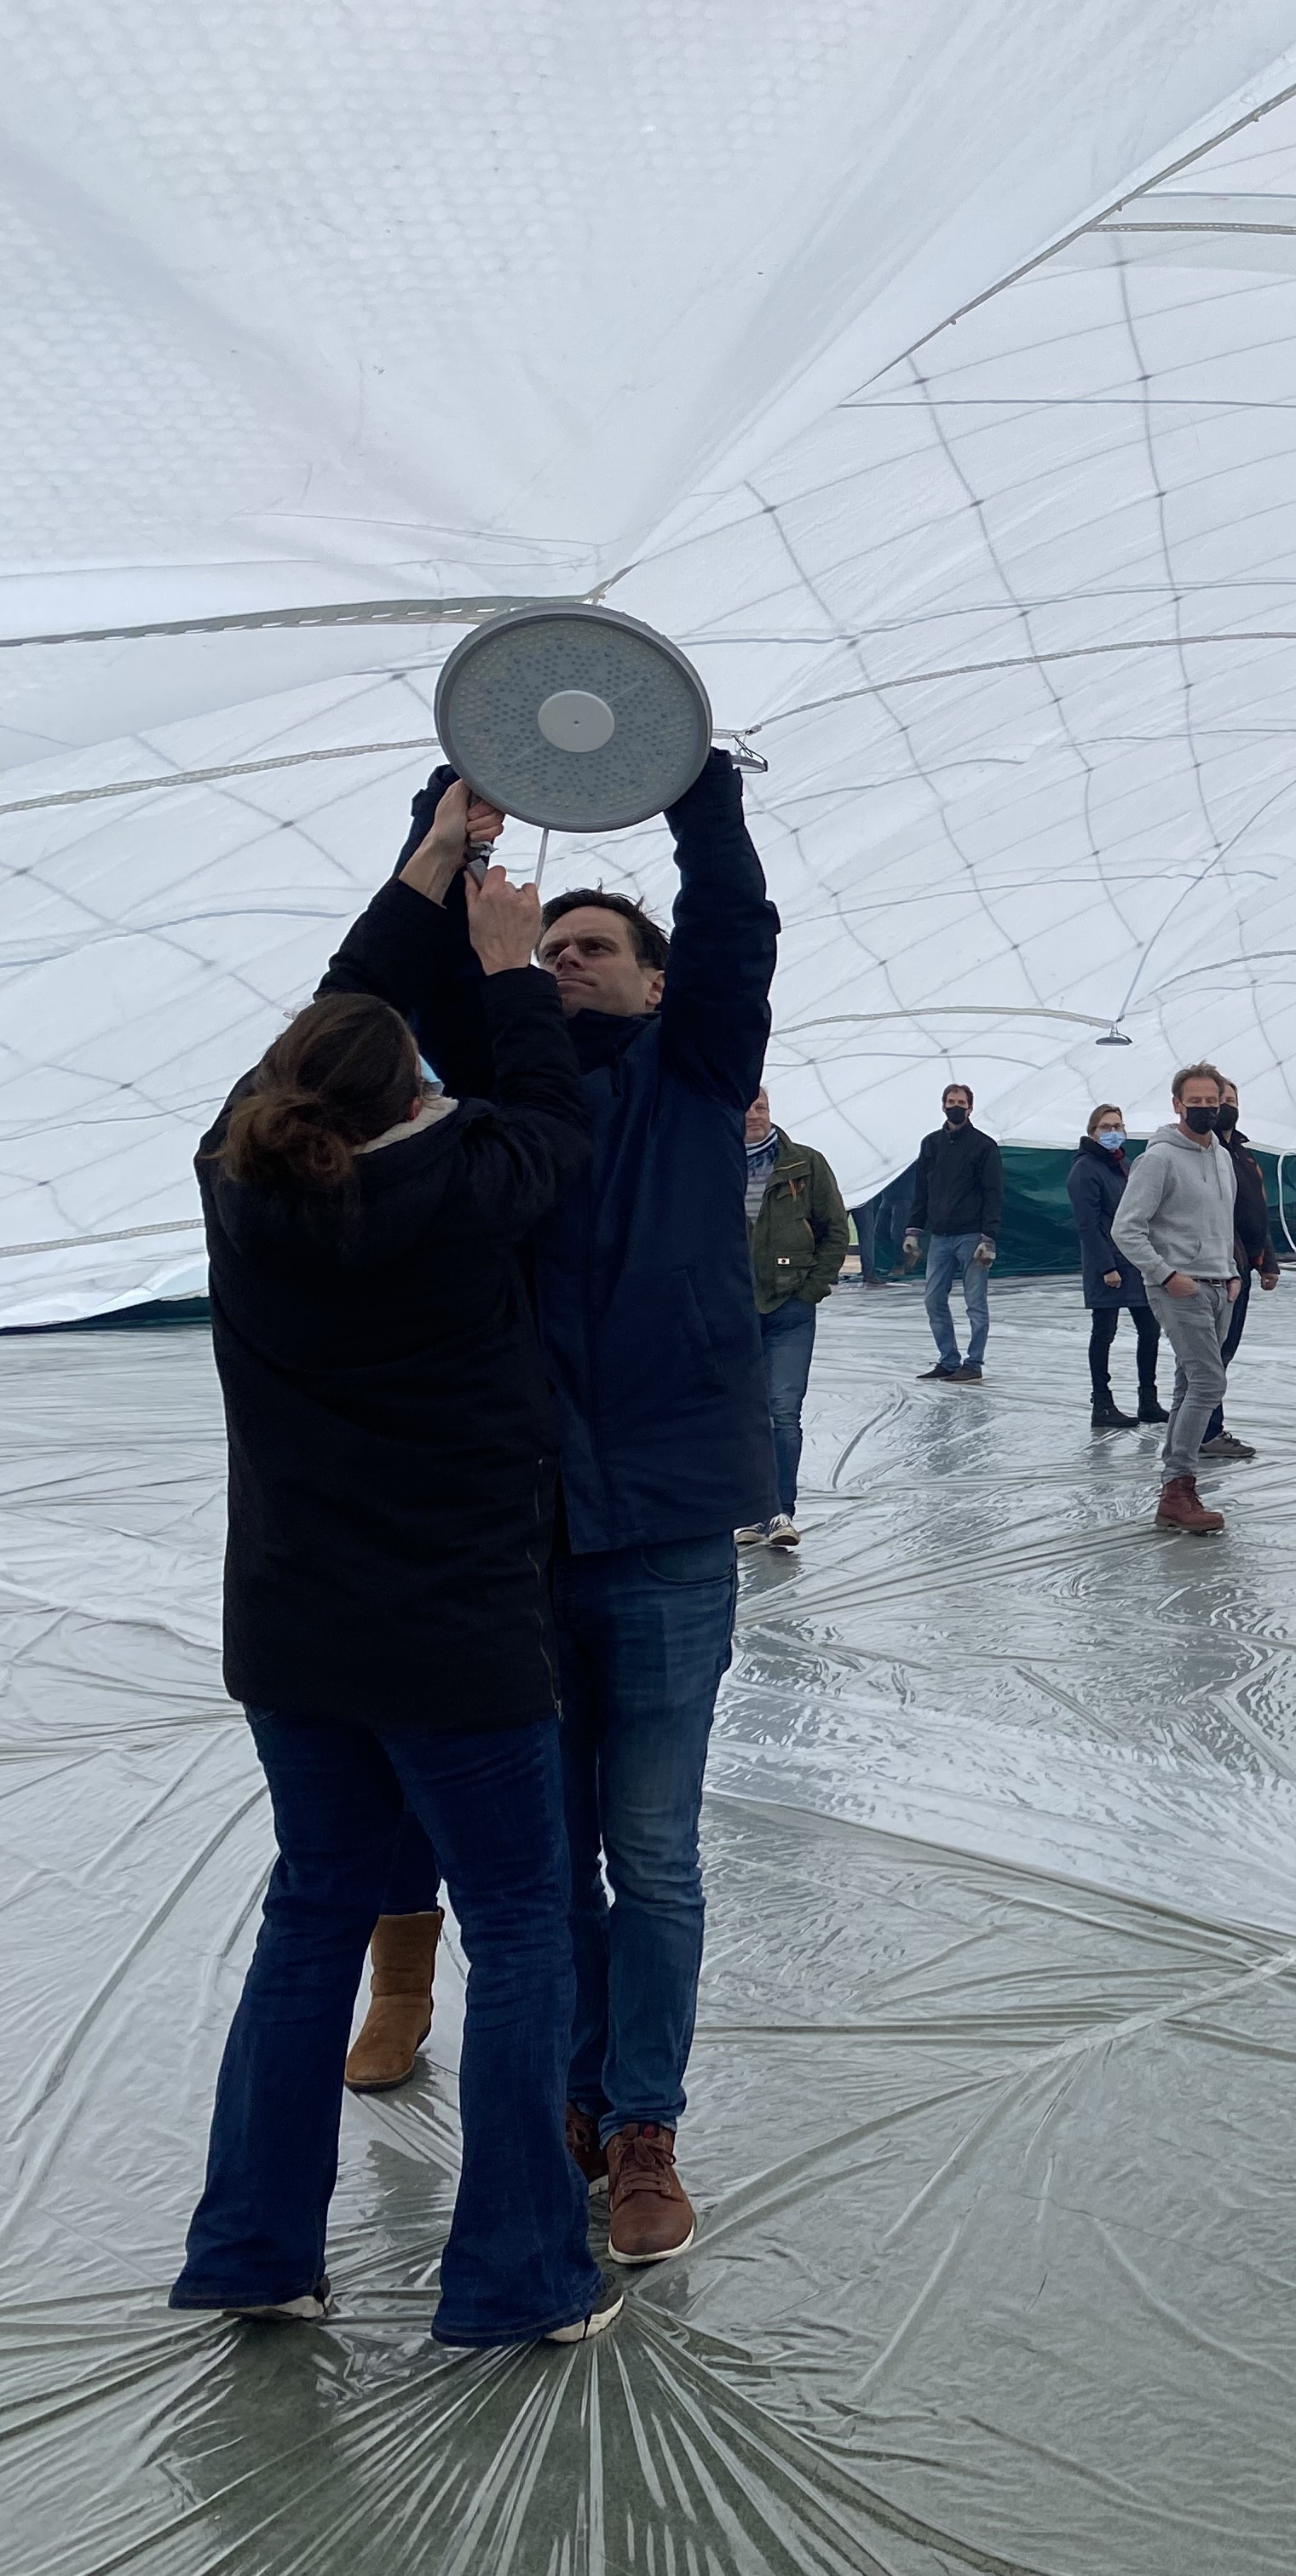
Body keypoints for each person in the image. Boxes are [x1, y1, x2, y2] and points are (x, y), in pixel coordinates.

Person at [171, 807, 621, 2348]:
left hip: (291, 1633)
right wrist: (509, 966)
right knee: (521, 1921)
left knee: (314, 1911)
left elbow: (324, 1023)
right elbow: (552, 1110)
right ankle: (517, 2276)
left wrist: (432, 859)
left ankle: (253, 2247)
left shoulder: (236, 1180)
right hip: (456, 1639)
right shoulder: (472, 1179)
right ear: (421, 1095)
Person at [327, 751, 777, 2267]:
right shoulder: (490, 1087)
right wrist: (446, 833)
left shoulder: (695, 1069)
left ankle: (643, 2120)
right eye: (556, 942)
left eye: (599, 945)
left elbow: (734, 924)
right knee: (547, 1854)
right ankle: (577, 2095)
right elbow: (391, 987)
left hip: (660, 1528)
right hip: (515, 1534)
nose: (571, 958)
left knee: (651, 1847)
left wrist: (695, 790)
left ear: (656, 981)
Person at [1110, 1063, 1247, 1532]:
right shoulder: (1159, 1160)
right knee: (1209, 1383)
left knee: (1190, 1385)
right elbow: (1126, 1228)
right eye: (1196, 1102)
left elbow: (1221, 1222)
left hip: (1220, 1286)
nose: (1206, 1109)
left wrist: (1232, 1271)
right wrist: (1165, 1275)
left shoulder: (1222, 1158)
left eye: (1213, 1102)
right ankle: (1178, 1487)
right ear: (1177, 1105)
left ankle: (1175, 1493)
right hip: (1181, 1287)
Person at [739, 1088, 850, 1550]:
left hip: (789, 1308)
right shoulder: (711, 1164)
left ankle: (780, 1511)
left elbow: (835, 1230)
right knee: (742, 1414)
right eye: (745, 1107)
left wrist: (810, 1291)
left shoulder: (804, 1164)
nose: (754, 1115)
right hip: (734, 1311)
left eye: (761, 1107)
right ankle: (750, 1513)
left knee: (782, 1411)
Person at [1199, 1086, 1285, 1463]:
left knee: (1225, 1350)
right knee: (1209, 1353)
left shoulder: (1243, 1155)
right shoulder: (1207, 1153)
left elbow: (1256, 1211)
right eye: (1220, 1101)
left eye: (1232, 1102)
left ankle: (1205, 1427)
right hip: (1216, 1267)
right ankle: (1206, 1431)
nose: (1226, 1107)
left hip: (1241, 1266)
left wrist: (1267, 1262)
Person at [1069, 1105, 1166, 1431]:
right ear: (1093, 1131)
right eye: (1106, 1127)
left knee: (1150, 1329)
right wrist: (1106, 1267)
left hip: (1134, 1261)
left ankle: (1148, 1400)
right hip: (1107, 1264)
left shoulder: (1122, 1165)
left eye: (1118, 1126)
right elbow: (1087, 1225)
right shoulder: (1084, 1170)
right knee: (1104, 1332)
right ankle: (1102, 1403)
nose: (1114, 1132)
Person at [903, 1082, 1003, 1383]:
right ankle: (948, 1360)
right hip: (940, 1237)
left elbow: (993, 1193)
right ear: (943, 1105)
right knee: (933, 1299)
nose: (955, 1107)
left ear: (970, 1108)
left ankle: (974, 1363)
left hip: (972, 1237)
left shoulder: (984, 1146)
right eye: (951, 1102)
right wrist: (913, 1230)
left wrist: (988, 1238)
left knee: (975, 1303)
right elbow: (922, 1191)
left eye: (961, 1103)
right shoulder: (931, 1144)